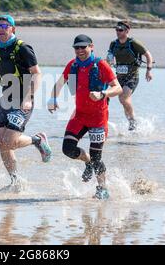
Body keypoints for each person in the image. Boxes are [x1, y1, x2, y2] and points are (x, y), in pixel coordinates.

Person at [0, 15, 52, 187]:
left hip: (22, 100)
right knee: (1, 143)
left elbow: (37, 73)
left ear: (13, 28)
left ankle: (37, 140)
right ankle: (15, 181)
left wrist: (29, 98)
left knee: (10, 142)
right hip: (6, 99)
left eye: (5, 26)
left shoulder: (23, 48)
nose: (1, 29)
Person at [48, 34, 122, 199]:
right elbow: (59, 83)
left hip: (98, 118)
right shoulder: (72, 65)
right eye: (77, 48)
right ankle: (86, 161)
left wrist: (103, 93)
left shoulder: (101, 65)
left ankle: (102, 188)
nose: (80, 50)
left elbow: (118, 88)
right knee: (67, 149)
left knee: (97, 158)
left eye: (83, 47)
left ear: (91, 46)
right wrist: (52, 98)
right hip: (80, 116)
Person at [106, 21, 154, 131]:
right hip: (119, 76)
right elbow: (109, 58)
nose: (118, 32)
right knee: (123, 101)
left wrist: (149, 70)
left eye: (120, 30)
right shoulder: (113, 44)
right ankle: (131, 124)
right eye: (116, 30)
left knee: (123, 98)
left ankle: (133, 121)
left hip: (132, 76)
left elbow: (148, 55)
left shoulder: (134, 43)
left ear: (127, 31)